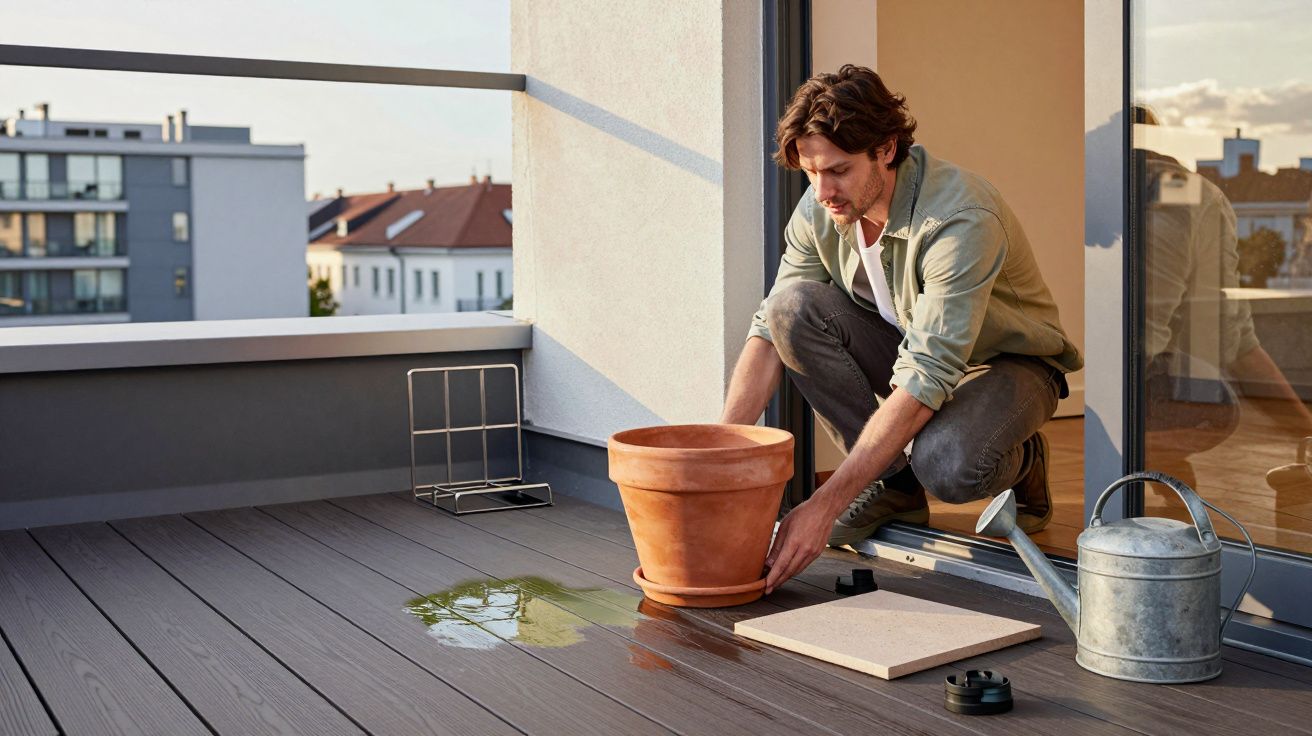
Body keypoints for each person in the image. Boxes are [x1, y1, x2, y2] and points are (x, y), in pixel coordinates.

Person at [720, 65, 1083, 593]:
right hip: (911, 350)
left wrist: (824, 503)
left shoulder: (960, 218)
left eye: (839, 170)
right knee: (788, 310)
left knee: (949, 467)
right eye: (810, 171)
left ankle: (1022, 456)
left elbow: (928, 372)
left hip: (1005, 363)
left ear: (886, 149)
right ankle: (894, 486)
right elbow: (768, 328)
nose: (822, 190)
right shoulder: (823, 203)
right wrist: (723, 454)